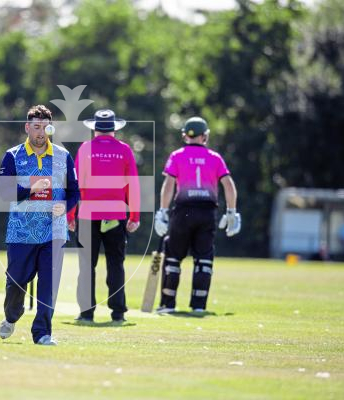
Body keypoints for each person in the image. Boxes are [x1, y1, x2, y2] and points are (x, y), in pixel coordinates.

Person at [0, 105, 79, 346]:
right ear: (27, 127)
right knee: (15, 283)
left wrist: (64, 206)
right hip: (21, 231)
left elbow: (74, 192)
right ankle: (12, 316)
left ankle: (42, 332)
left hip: (54, 231)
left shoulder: (64, 156)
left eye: (45, 127)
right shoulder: (13, 155)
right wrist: (30, 190)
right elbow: (3, 191)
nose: (40, 132)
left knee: (48, 284)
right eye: (36, 127)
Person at [154, 116, 240, 313]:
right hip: (207, 212)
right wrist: (232, 211)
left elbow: (168, 186)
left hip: (183, 211)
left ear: (185, 135)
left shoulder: (177, 155)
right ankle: (199, 306)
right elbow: (228, 185)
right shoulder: (215, 157)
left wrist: (163, 211)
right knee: (203, 259)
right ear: (205, 136)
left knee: (174, 257)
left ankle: (168, 304)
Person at [68, 109, 141, 323]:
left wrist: (70, 215)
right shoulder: (125, 150)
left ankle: (86, 313)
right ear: (114, 130)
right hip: (115, 216)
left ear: (94, 129)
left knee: (86, 265)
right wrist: (134, 215)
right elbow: (133, 185)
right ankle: (118, 312)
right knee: (115, 263)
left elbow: (75, 184)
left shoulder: (85, 149)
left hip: (88, 215)